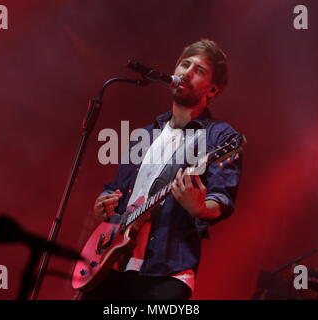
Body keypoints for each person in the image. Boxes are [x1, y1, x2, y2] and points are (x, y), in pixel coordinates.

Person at [81, 39, 242, 300]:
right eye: (184, 64)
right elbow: (117, 189)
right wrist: (102, 203)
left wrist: (200, 208)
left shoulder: (220, 137)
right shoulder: (144, 135)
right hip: (110, 263)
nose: (187, 73)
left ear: (212, 90)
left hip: (166, 273)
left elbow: (221, 200)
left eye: (198, 70)